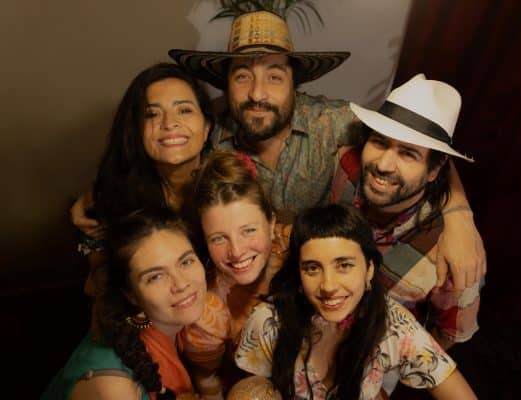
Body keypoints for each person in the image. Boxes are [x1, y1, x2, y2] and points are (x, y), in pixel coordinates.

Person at [74, 11, 484, 290]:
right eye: (242, 76)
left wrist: (459, 215)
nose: (257, 94)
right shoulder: (208, 133)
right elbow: (153, 157)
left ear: (295, 83)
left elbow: (414, 145)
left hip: (317, 284)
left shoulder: (334, 122)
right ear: (225, 85)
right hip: (238, 278)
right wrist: (94, 200)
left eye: (274, 76)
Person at [234, 204, 477, 399]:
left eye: (344, 265)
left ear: (369, 269)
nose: (328, 285)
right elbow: (248, 390)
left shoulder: (393, 325)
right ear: (298, 274)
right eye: (312, 268)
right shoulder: (269, 322)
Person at [329, 74, 483, 352]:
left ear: (435, 170)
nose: (384, 165)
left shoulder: (452, 258)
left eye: (408, 154)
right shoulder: (346, 168)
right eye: (379, 142)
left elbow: (447, 337)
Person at [78, 62, 213, 295]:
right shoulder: (117, 196)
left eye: (184, 110)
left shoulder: (231, 183)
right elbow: (98, 287)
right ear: (136, 131)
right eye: (152, 114)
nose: (169, 123)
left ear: (207, 128)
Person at [42, 210, 207, 399]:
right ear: (131, 295)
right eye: (155, 277)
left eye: (186, 262)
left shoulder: (168, 320)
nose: (182, 284)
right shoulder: (116, 390)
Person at [180, 151, 287, 399]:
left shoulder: (303, 250)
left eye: (248, 231)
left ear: (271, 223)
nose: (237, 252)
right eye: (219, 238)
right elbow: (207, 379)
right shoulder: (205, 314)